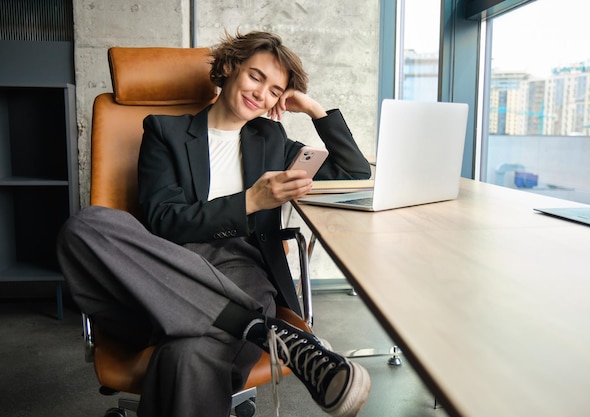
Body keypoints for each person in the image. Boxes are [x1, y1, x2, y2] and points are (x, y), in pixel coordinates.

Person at [57, 31, 372, 417]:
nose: (262, 94)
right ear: (229, 67)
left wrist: (313, 109)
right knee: (84, 227)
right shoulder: (165, 132)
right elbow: (163, 221)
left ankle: (252, 325)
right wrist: (251, 201)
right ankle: (258, 328)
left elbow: (353, 174)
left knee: (186, 357)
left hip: (240, 273)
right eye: (256, 76)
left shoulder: (271, 139)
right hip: (163, 275)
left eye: (275, 90)